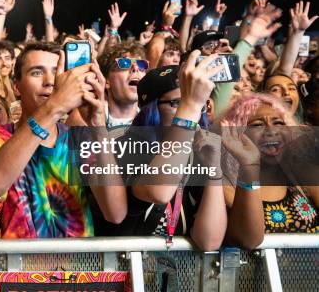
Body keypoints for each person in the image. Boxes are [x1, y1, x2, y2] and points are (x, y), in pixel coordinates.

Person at [0, 42, 126, 239]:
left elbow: (115, 213)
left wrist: (98, 126)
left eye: (57, 73)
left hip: (78, 267)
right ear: (16, 86)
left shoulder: (78, 139)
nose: (50, 82)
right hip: (19, 267)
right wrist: (55, 105)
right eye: (37, 72)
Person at [119, 56, 228, 251]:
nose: (194, 111)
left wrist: (214, 170)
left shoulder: (199, 155)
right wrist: (191, 105)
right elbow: (159, 192)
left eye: (199, 103)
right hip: (127, 270)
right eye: (178, 102)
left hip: (182, 274)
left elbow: (209, 241)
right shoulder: (126, 146)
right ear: (152, 109)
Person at [219, 93, 318, 250]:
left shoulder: (303, 174)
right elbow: (248, 240)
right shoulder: (225, 184)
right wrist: (249, 166)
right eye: (257, 125)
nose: (271, 130)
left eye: (279, 122)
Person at [98, 43, 148, 130]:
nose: (135, 68)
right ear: (106, 80)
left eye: (141, 64)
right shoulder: (85, 120)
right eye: (124, 63)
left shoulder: (154, 122)